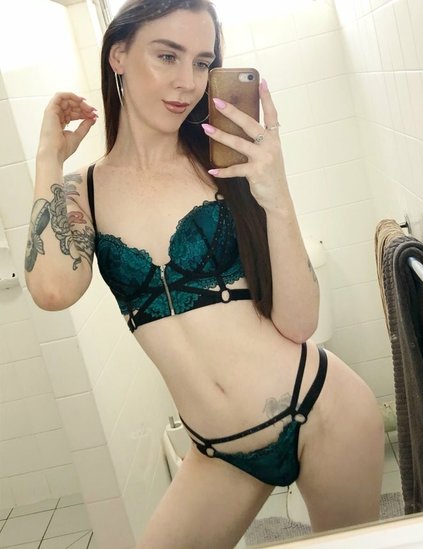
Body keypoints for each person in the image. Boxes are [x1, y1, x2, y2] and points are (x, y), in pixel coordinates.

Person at [25, 0, 384, 547]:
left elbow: (300, 322)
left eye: (202, 62)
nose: (187, 82)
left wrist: (278, 195)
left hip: (322, 408)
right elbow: (53, 289)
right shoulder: (85, 191)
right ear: (118, 55)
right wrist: (48, 159)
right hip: (218, 452)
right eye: (167, 56)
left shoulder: (225, 164)